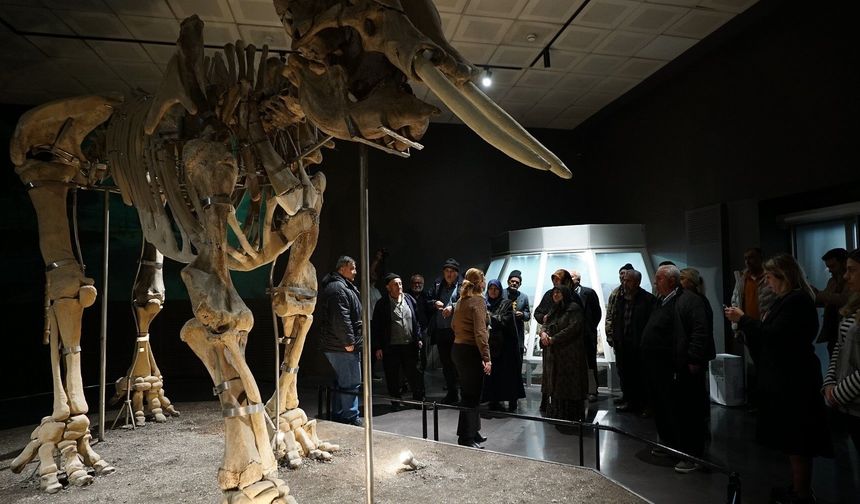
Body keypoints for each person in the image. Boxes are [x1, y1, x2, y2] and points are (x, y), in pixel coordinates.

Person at [725, 254, 832, 502]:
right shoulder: (789, 300)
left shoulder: (796, 301)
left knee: (798, 442)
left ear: (783, 276)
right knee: (793, 440)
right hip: (788, 377)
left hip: (794, 380)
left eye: (770, 278)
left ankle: (802, 493)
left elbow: (774, 334)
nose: (767, 283)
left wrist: (743, 319)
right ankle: (797, 488)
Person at [642, 264, 715, 474]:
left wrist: (693, 359)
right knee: (666, 409)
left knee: (687, 412)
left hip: (680, 367)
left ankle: (691, 455)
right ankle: (671, 446)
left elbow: (700, 332)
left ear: (671, 281)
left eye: (659, 279)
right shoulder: (662, 300)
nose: (655, 282)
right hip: (661, 369)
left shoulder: (689, 300)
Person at [822, 248, 860, 453]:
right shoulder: (854, 305)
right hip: (850, 404)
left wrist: (838, 393)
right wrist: (830, 382)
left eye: (852, 270)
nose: (846, 276)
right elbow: (839, 345)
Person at [319, 255, 363, 426]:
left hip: (339, 344)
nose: (355, 272)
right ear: (342, 268)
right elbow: (341, 319)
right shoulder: (338, 288)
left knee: (343, 381)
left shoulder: (341, 287)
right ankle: (350, 416)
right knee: (351, 382)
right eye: (352, 268)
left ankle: (340, 414)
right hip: (341, 345)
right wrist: (349, 342)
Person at [451, 268, 491, 448]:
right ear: (480, 282)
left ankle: (473, 431)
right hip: (470, 351)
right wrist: (486, 357)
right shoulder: (478, 301)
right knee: (472, 395)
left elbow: (453, 325)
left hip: (458, 349)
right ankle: (466, 437)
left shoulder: (461, 300)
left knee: (470, 394)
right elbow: (481, 332)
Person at [372, 273, 424, 410]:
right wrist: (377, 347)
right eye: (395, 284)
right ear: (388, 287)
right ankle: (395, 401)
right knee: (392, 375)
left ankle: (418, 400)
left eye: (400, 283)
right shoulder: (382, 304)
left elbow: (417, 321)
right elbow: (376, 327)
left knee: (414, 373)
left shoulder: (409, 299)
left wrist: (418, 337)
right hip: (391, 347)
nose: (399, 286)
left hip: (409, 345)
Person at [540, 285, 588, 427]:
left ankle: (570, 416)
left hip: (569, 354)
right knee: (555, 385)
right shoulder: (554, 308)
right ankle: (557, 414)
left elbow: (573, 328)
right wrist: (543, 333)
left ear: (565, 294)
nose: (555, 295)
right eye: (554, 292)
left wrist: (553, 339)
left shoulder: (573, 308)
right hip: (554, 355)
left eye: (558, 292)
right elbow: (545, 322)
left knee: (568, 386)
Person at [612, 269, 654, 415]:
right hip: (624, 345)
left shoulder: (648, 300)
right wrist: (617, 340)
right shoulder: (621, 299)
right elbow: (617, 320)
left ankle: (646, 405)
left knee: (643, 377)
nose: (624, 283)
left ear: (637, 282)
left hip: (640, 346)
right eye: (623, 280)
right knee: (627, 375)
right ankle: (631, 402)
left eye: (628, 280)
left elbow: (650, 324)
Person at [535, 269, 576, 412]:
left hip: (567, 345)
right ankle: (546, 403)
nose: (555, 282)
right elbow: (539, 313)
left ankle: (562, 407)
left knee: (563, 377)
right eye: (554, 279)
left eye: (558, 279)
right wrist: (544, 328)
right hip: (549, 343)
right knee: (548, 374)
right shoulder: (549, 295)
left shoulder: (572, 298)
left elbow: (576, 323)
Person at [482, 279, 525, 413]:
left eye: (496, 289)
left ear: (500, 290)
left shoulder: (506, 303)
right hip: (491, 344)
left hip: (506, 345)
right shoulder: (485, 304)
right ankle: (494, 400)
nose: (493, 291)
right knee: (494, 375)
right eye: (490, 289)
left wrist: (489, 318)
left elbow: (505, 320)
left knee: (508, 374)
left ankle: (511, 400)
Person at [428, 258, 462, 404]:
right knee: (446, 364)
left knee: (458, 363)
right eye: (446, 271)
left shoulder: (462, 286)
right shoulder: (437, 285)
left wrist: (453, 307)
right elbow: (427, 300)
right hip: (441, 330)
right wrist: (434, 303)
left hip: (457, 331)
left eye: (451, 272)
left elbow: (467, 302)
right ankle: (452, 393)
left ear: (456, 273)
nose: (448, 274)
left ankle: (463, 393)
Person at [571, 270, 602, 402]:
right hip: (572, 335)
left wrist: (590, 327)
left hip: (587, 334)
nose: (569, 279)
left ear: (578, 279)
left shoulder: (589, 292)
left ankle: (592, 390)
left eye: (571, 277)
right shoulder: (566, 294)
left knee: (590, 362)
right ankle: (578, 389)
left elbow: (597, 313)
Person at [502, 269, 529, 411]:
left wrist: (522, 314)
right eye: (512, 281)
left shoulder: (523, 297)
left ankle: (513, 398)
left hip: (517, 338)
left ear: (520, 284)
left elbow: (528, 314)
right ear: (508, 282)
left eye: (517, 282)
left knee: (516, 369)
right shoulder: (502, 293)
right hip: (502, 338)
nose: (514, 283)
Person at [814, 248, 850, 357]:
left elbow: (844, 299)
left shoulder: (853, 281)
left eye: (833, 266)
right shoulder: (832, 281)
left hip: (847, 332)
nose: (830, 270)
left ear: (844, 263)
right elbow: (825, 300)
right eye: (828, 267)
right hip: (832, 332)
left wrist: (818, 294)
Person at [605, 263, 635, 350]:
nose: (622, 276)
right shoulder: (615, 294)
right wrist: (609, 335)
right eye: (620, 274)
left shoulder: (643, 295)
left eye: (624, 273)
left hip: (635, 336)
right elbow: (609, 315)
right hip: (619, 336)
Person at [409, 273, 431, 370]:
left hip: (424, 329)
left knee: (423, 353)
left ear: (423, 284)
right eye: (415, 283)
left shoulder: (427, 296)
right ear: (411, 284)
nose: (417, 285)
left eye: (419, 283)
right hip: (409, 330)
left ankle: (422, 372)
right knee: (410, 352)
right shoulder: (406, 296)